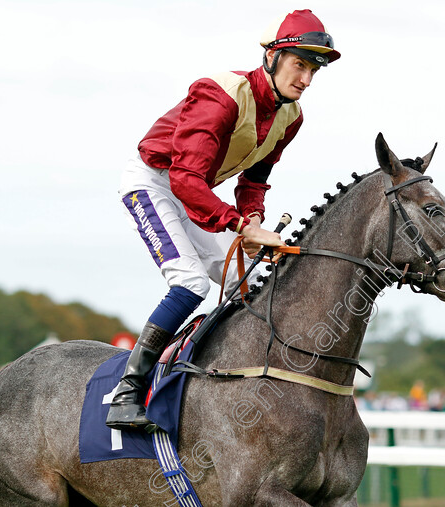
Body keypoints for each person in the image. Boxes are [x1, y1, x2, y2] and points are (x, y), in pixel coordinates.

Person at [106, 9, 341, 431]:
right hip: (155, 182)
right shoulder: (222, 94)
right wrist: (242, 227)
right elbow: (183, 177)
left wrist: (251, 219)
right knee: (191, 283)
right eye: (299, 64)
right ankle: (127, 391)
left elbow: (254, 182)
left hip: (195, 193)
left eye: (313, 70)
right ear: (271, 56)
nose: (306, 79)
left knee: (240, 285)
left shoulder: (291, 116)